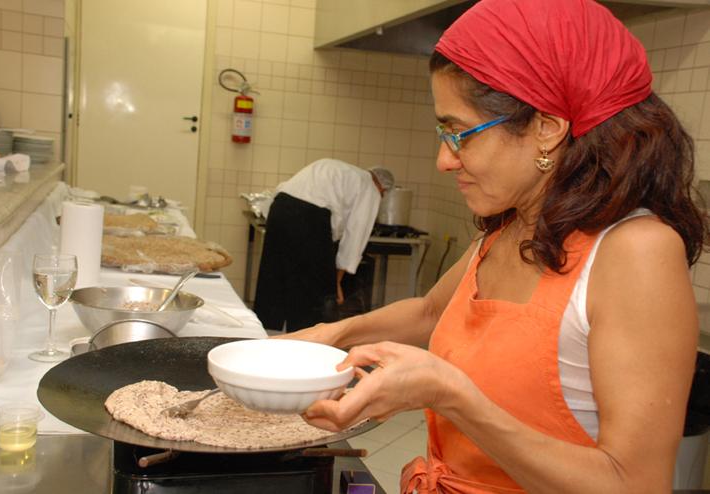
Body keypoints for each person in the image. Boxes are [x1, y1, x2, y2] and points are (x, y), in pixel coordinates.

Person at [282, 0, 708, 492]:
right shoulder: (507, 227)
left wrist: (450, 395)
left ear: (547, 129)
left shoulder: (636, 251)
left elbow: (635, 482)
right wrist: (331, 334)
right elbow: (430, 311)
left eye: (460, 133)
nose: (444, 160)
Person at [253, 158, 394, 332]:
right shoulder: (369, 186)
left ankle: (264, 334)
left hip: (279, 209)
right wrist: (337, 282)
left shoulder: (341, 170)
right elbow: (355, 236)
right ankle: (306, 338)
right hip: (308, 219)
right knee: (313, 291)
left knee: (275, 276)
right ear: (382, 188)